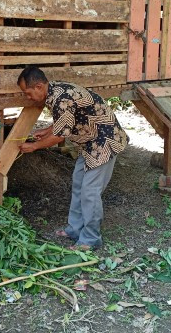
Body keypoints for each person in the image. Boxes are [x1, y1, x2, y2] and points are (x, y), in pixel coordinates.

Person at [17, 66, 128, 250]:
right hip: (90, 142)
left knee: (90, 191)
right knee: (78, 183)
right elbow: (66, 120)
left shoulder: (61, 99)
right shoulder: (55, 91)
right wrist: (46, 130)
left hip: (104, 142)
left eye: (28, 93)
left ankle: (91, 238)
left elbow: (60, 137)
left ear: (38, 87)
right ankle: (75, 229)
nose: (27, 97)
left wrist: (34, 146)